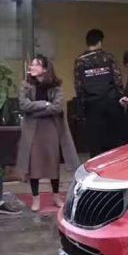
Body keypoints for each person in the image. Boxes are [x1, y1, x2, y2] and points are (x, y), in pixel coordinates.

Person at [16, 55, 80, 212]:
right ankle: (36, 198)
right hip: (32, 129)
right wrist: (44, 104)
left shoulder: (55, 86)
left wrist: (36, 111)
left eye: (36, 65)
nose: (31, 67)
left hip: (51, 128)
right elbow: (24, 105)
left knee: (52, 162)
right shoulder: (26, 85)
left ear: (45, 69)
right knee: (34, 164)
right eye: (31, 64)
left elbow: (57, 107)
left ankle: (56, 196)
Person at [74, 29, 125, 157]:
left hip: (92, 105)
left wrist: (81, 109)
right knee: (114, 141)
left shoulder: (80, 61)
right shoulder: (108, 58)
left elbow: (79, 86)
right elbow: (118, 80)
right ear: (100, 42)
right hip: (111, 103)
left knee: (95, 143)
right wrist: (121, 98)